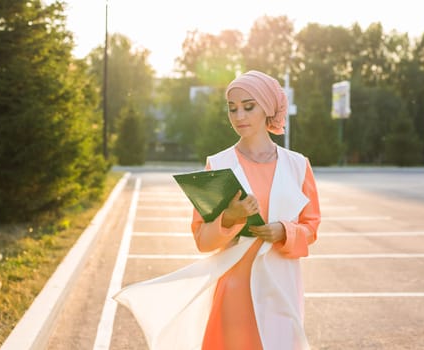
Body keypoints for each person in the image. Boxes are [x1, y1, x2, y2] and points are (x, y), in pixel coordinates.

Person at [114, 70, 321, 350]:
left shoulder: (298, 165)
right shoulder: (219, 164)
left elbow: (311, 228)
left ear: (268, 108)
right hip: (234, 290)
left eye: (248, 107)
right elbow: (202, 240)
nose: (239, 116)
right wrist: (230, 218)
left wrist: (284, 231)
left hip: (281, 287)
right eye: (232, 108)